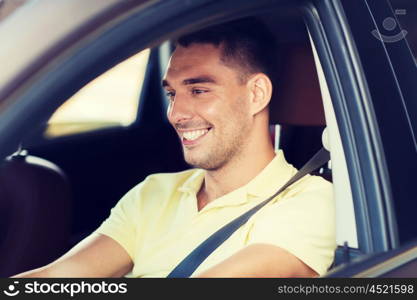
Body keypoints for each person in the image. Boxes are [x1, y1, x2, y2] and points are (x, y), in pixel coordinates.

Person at [14, 18, 335, 278]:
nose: (176, 114)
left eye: (198, 90)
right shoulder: (155, 192)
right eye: (172, 94)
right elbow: (61, 277)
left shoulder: (307, 201)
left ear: (256, 94)